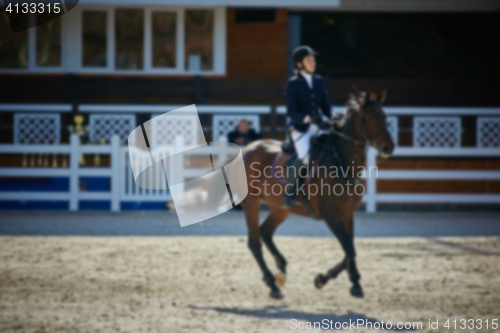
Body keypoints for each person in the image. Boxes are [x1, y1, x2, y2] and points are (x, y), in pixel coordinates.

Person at [282, 45, 333, 209]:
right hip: (299, 128)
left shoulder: (319, 81)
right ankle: (289, 195)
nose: (313, 63)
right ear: (299, 64)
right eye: (309, 60)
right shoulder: (293, 84)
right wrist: (309, 118)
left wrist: (333, 118)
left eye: (313, 60)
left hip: (317, 125)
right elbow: (291, 112)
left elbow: (325, 106)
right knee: (304, 158)